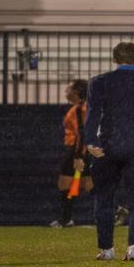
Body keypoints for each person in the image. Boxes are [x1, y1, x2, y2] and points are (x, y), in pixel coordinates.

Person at [83, 42, 134, 261]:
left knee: (104, 198)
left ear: (114, 59)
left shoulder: (99, 82)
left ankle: (107, 249)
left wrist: (91, 142)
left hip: (108, 145)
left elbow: (93, 114)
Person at [47, 80, 94, 228]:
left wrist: (78, 156)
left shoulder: (81, 109)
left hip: (77, 149)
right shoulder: (82, 107)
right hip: (84, 149)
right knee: (88, 184)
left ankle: (65, 219)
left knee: (65, 184)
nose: (67, 91)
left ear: (76, 92)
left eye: (70, 88)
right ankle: (115, 209)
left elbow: (82, 133)